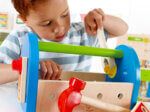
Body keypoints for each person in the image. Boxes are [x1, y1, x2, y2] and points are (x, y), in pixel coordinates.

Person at [0, 0, 128, 84]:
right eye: (47, 23)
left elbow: (122, 29)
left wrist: (101, 20)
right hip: (33, 109)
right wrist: (30, 67)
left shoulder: (82, 33)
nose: (59, 28)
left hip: (77, 106)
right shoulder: (19, 38)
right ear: (24, 19)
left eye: (64, 15)